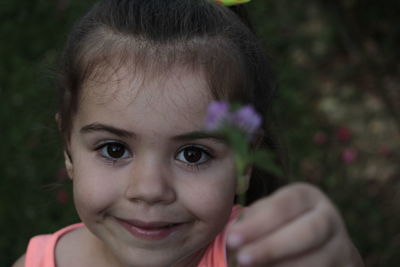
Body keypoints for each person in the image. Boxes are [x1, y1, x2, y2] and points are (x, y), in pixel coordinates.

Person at [13, 0, 364, 266]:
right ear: (68, 148)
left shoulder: (255, 253)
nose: (150, 190)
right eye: (114, 149)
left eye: (192, 154)